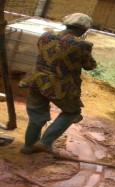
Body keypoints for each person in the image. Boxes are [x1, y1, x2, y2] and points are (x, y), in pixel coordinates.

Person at [19, 13, 97, 154]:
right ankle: (45, 142)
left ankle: (28, 146)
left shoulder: (45, 36)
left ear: (66, 23)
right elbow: (90, 66)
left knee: (36, 115)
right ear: (84, 30)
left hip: (36, 80)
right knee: (72, 112)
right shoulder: (82, 45)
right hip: (60, 87)